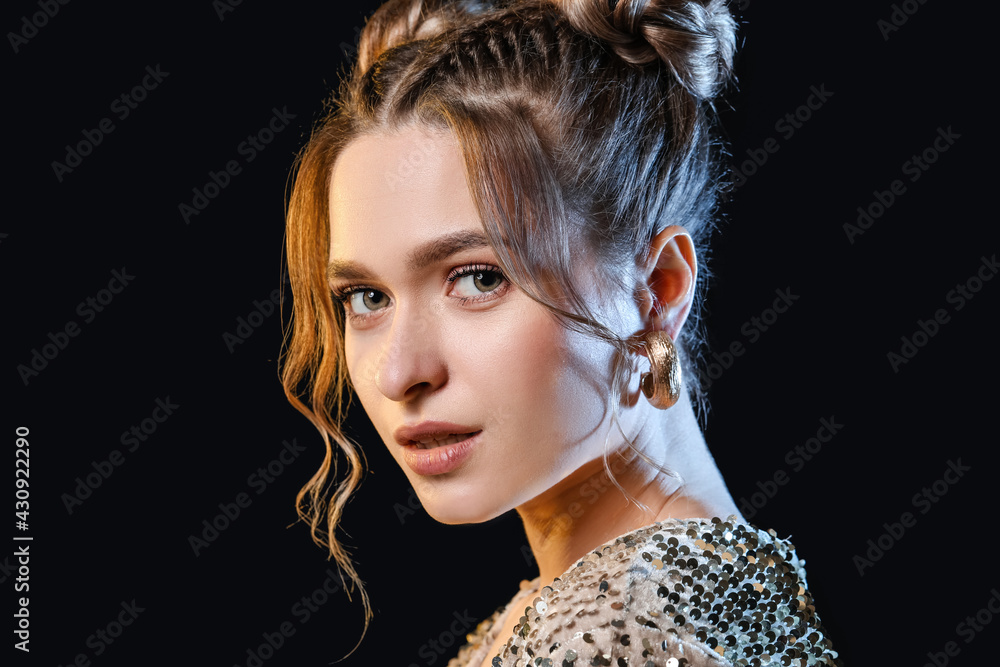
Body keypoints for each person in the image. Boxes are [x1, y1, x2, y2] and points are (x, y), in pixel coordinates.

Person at [281, 1, 840, 665]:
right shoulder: (683, 595)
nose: (399, 373)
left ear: (657, 289)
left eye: (478, 279)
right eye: (367, 297)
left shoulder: (621, 639)